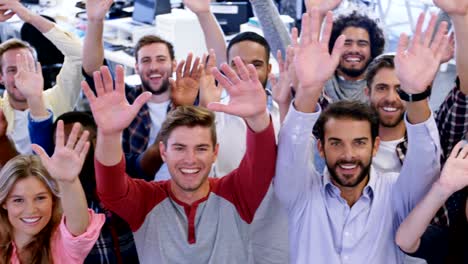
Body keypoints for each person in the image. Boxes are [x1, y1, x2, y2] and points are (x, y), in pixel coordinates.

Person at [274, 8, 441, 263]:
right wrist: (308, 90)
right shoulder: (301, 193)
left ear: (375, 147)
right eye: (336, 143)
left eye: (359, 143)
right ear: (320, 148)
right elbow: (290, 149)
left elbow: (425, 161)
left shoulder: (396, 193)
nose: (348, 154)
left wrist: (416, 94)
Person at [83, 56, 276, 263]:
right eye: (180, 148)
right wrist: (109, 134)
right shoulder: (146, 201)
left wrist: (257, 117)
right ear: (164, 152)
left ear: (215, 152)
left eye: (201, 148)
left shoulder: (236, 194)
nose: (190, 159)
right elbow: (110, 190)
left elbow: (262, 164)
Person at [0, 120, 105, 263]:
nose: (31, 210)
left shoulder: (61, 242)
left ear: (53, 199)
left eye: (40, 198)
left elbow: (80, 228)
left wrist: (68, 181)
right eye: (18, 200)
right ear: (4, 202)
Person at [0, 0, 83, 154]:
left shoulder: (57, 99)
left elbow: (78, 55)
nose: (21, 76)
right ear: (1, 77)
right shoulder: (0, 112)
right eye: (12, 70)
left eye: (27, 67)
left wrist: (31, 17)